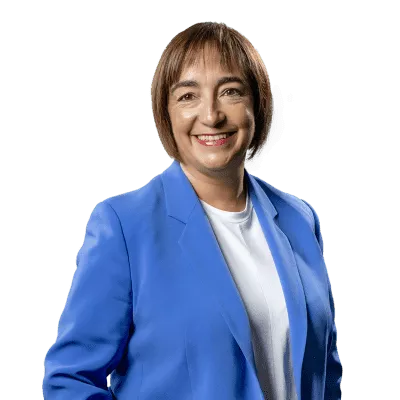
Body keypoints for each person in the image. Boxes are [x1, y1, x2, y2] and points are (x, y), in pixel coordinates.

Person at [42, 21, 343, 400]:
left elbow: (325, 372)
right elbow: (71, 381)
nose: (212, 115)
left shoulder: (300, 218)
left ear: (257, 104)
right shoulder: (125, 227)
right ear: (165, 113)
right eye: (188, 96)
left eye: (231, 91)